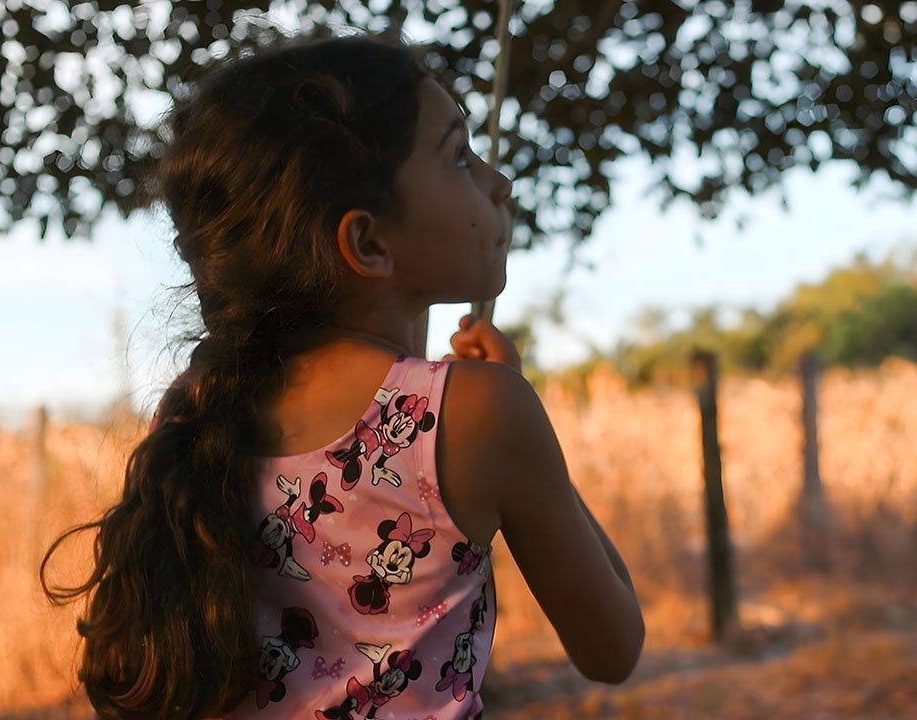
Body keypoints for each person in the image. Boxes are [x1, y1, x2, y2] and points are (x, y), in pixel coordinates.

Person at [41, 34, 643, 720]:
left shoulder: (196, 407)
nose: (497, 183)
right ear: (368, 244)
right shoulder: (476, 410)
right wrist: (529, 435)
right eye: (458, 155)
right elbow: (613, 647)